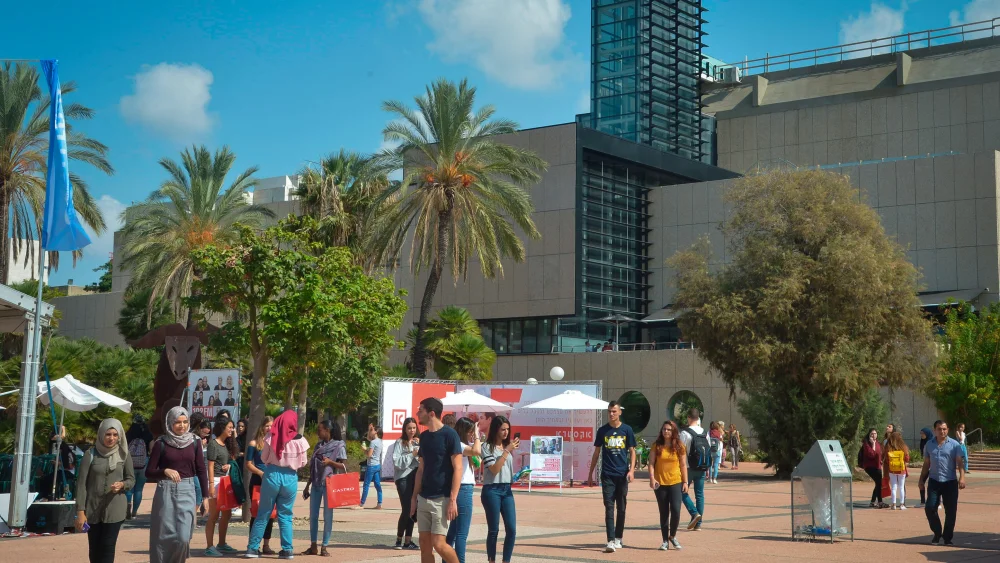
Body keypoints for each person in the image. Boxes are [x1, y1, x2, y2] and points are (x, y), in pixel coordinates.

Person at [147, 407, 210, 563]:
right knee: (162, 536)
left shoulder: (194, 441)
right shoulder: (161, 443)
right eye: (177, 422)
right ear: (170, 423)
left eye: (185, 422)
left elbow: (201, 470)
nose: (182, 425)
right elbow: (149, 472)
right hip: (165, 490)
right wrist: (165, 471)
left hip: (188, 490)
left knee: (183, 537)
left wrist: (205, 497)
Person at [245, 410, 311, 559]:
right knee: (286, 515)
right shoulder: (301, 440)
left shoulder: (270, 436)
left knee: (264, 513)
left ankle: (252, 548)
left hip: (272, 474)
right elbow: (303, 462)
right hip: (290, 476)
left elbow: (264, 457)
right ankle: (287, 550)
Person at [409, 397, 463, 563]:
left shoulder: (450, 435)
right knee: (424, 545)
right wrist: (413, 498)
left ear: (431, 413)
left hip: (442, 499)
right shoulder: (424, 437)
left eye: (421, 410)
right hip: (423, 497)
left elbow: (458, 468)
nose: (417, 413)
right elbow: (421, 469)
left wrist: (453, 499)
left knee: (439, 544)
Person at [76, 418, 134, 563]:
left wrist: (122, 485)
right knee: (94, 550)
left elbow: (131, 479)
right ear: (101, 434)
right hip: (93, 509)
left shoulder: (124, 454)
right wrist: (80, 512)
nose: (111, 438)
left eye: (115, 435)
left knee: (108, 548)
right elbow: (81, 484)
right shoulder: (90, 454)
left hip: (115, 510)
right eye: (108, 434)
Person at [587, 401, 636, 553]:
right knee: (609, 507)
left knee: (621, 508)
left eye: (614, 411)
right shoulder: (603, 431)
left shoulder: (627, 430)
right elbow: (596, 453)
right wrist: (590, 473)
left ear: (620, 412)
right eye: (609, 411)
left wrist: (632, 470)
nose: (611, 414)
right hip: (607, 475)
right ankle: (610, 540)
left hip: (622, 475)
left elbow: (632, 451)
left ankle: (618, 538)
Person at [302, 420, 347, 556]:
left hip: (329, 485)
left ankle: (325, 546)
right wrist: (307, 486)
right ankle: (313, 545)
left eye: (320, 429)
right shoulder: (318, 446)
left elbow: (343, 466)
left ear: (327, 430)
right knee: (313, 516)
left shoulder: (339, 446)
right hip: (316, 484)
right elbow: (313, 468)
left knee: (328, 516)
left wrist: (330, 462)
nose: (317, 432)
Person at [919, 420, 967, 546]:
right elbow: (926, 464)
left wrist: (962, 478)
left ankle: (947, 538)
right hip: (934, 481)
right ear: (935, 430)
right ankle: (937, 532)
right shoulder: (929, 445)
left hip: (950, 482)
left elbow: (960, 463)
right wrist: (921, 479)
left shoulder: (955, 445)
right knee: (929, 507)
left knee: (950, 511)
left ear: (948, 429)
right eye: (939, 429)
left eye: (944, 429)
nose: (942, 431)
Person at [650, 420, 688, 551]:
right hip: (660, 483)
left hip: (676, 482)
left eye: (668, 430)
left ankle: (672, 536)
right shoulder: (657, 446)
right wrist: (652, 478)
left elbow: (683, 465)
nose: (666, 431)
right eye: (664, 429)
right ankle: (665, 540)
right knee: (664, 512)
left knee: (676, 511)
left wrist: (685, 482)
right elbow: (651, 463)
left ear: (673, 432)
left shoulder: (679, 446)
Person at [448, 417, 482, 563]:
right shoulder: (460, 445)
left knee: (454, 531)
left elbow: (477, 461)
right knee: (461, 533)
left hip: (461, 487)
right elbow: (477, 450)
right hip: (464, 488)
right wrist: (478, 435)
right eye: (470, 432)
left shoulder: (459, 445)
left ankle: (447, 559)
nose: (472, 435)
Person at [204, 418, 238, 556]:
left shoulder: (227, 444)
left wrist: (229, 465)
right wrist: (211, 485)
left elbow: (232, 460)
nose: (232, 430)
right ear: (222, 427)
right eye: (230, 427)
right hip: (216, 481)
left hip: (224, 482)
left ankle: (222, 543)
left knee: (227, 513)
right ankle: (209, 546)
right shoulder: (213, 444)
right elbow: (210, 465)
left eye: (232, 427)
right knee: (214, 515)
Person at [247, 416, 278, 556]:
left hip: (271, 481)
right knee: (256, 513)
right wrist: (260, 472)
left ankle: (266, 544)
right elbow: (248, 464)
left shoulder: (275, 443)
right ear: (262, 427)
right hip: (257, 481)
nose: (269, 428)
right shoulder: (254, 443)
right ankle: (253, 544)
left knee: (270, 514)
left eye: (271, 426)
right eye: (266, 425)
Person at [679, 408, 711, 531]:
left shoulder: (685, 433)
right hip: (702, 466)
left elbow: (680, 451)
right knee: (700, 494)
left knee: (681, 492)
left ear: (688, 418)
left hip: (687, 467)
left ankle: (694, 513)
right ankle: (698, 524)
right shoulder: (705, 432)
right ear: (698, 418)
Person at [393, 417, 421, 550]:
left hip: (416, 478)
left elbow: (423, 462)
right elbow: (397, 463)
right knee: (406, 509)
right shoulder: (399, 443)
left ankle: (408, 541)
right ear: (404, 429)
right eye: (409, 428)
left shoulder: (418, 442)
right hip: (403, 478)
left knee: (413, 509)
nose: (412, 430)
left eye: (414, 428)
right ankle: (399, 539)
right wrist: (411, 453)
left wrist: (421, 447)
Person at [125, 417, 153, 519]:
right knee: (139, 489)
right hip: (143, 464)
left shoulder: (129, 434)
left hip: (129, 463)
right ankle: (134, 512)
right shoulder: (148, 435)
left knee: (129, 488)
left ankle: (127, 505)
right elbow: (152, 449)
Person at [857, 428, 886, 508]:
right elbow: (872, 454)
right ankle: (880, 502)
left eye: (875, 433)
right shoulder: (866, 444)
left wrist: (881, 461)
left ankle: (873, 502)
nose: (874, 435)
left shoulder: (878, 443)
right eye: (872, 434)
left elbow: (879, 454)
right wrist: (872, 444)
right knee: (879, 483)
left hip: (878, 466)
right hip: (870, 466)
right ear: (869, 435)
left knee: (878, 483)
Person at [883, 430, 910, 510]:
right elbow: (907, 458)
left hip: (892, 469)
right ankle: (902, 504)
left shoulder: (889, 447)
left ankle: (893, 504)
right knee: (901, 487)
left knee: (894, 487)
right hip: (902, 469)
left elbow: (887, 459)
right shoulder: (903, 447)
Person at [360, 425, 384, 509]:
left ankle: (361, 504)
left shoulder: (373, 442)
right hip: (377, 465)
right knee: (377, 484)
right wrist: (369, 429)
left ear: (376, 432)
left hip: (371, 466)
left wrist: (364, 450)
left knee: (366, 484)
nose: (370, 431)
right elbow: (368, 438)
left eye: (372, 430)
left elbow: (369, 455)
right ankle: (379, 503)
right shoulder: (380, 441)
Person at [918, 427, 933, 508]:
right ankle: (923, 502)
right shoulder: (923, 442)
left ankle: (937, 503)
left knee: (934, 485)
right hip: (926, 465)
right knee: (921, 483)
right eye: (920, 433)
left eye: (922, 433)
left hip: (934, 466)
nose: (921, 435)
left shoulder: (932, 442)